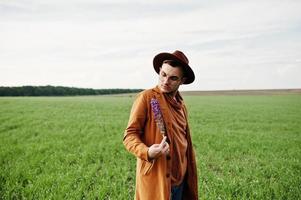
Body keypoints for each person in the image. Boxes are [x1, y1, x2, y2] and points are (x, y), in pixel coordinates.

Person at [123, 50, 198, 200]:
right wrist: (147, 152)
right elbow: (129, 135)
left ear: (182, 81)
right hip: (157, 180)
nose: (165, 81)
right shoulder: (146, 98)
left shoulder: (181, 105)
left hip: (181, 181)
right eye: (163, 75)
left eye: (173, 78)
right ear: (159, 71)